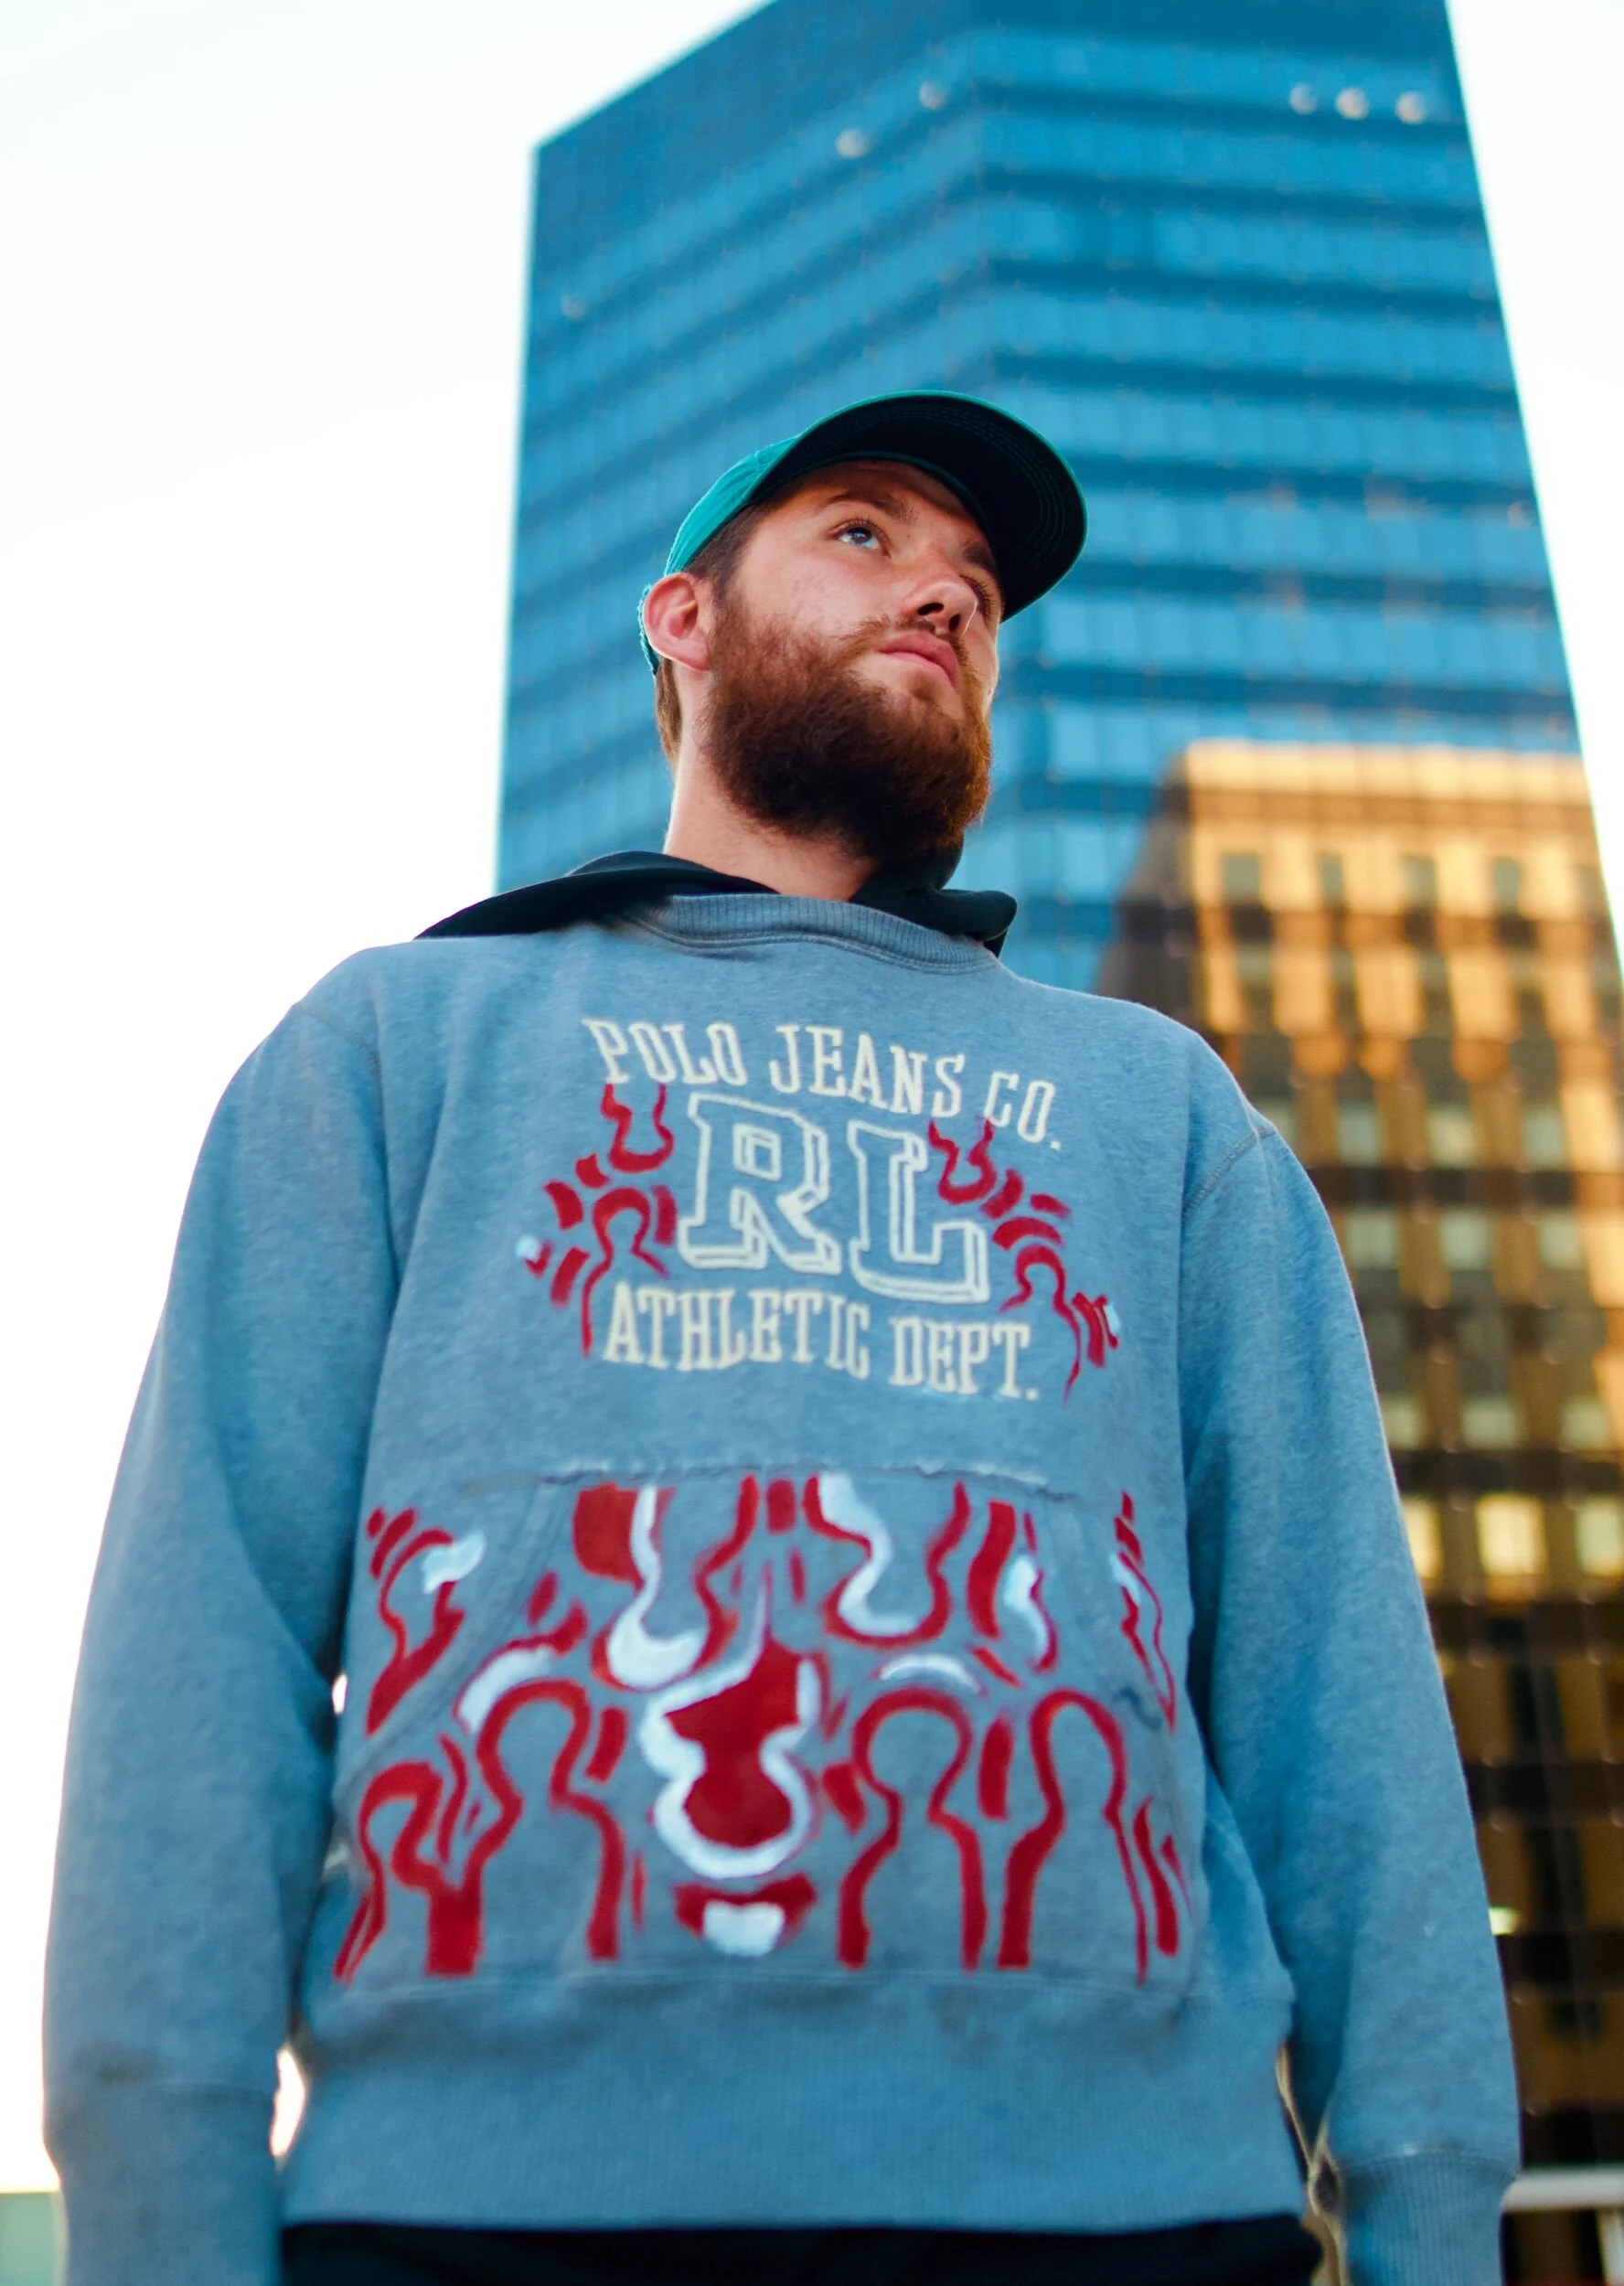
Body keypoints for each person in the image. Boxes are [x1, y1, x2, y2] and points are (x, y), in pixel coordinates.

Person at [46, 391, 1517, 2286]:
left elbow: (1337, 1687)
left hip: (1135, 2216)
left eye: (980, 585)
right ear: (685, 616)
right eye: (865, 535)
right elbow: (204, 1640)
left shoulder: (1160, 1114)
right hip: (482, 2211)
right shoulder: (399, 1045)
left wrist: (1430, 2206)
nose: (947, 596)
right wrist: (164, 2217)